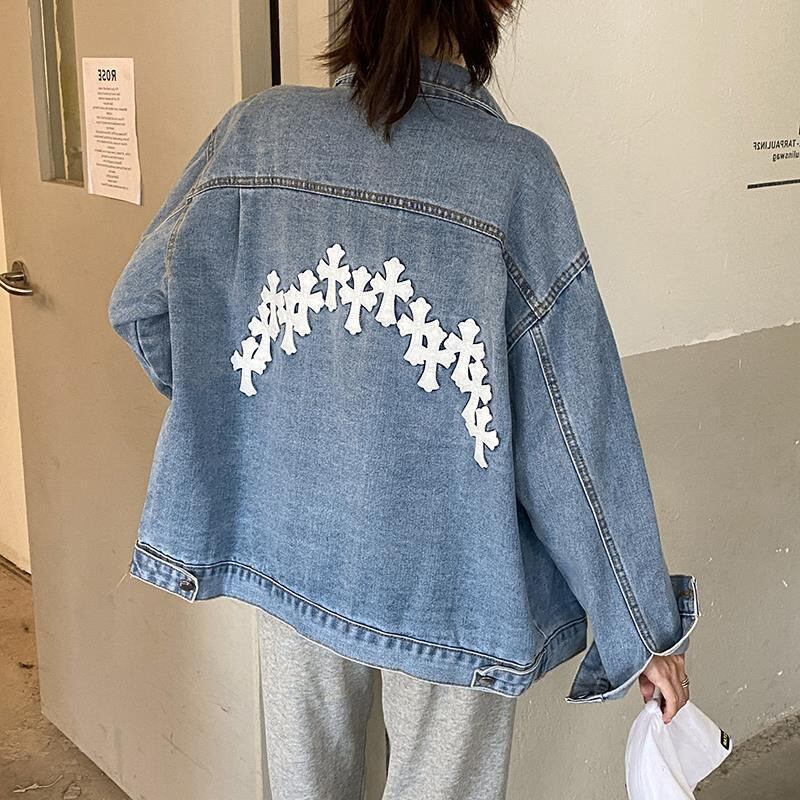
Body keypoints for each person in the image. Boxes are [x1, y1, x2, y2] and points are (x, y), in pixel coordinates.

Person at [107, 1, 699, 798]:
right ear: (487, 10)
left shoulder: (258, 133)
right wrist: (643, 630)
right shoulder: (512, 174)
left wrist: (241, 419)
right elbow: (573, 430)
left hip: (290, 550)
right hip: (456, 577)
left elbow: (142, 305)